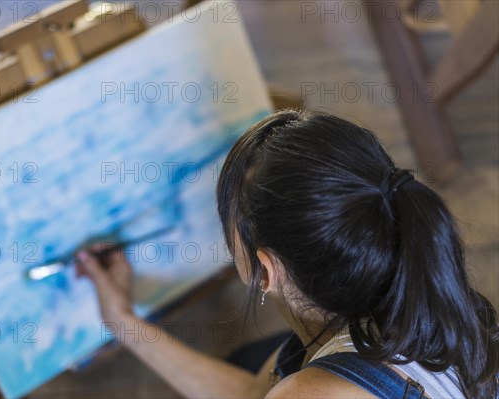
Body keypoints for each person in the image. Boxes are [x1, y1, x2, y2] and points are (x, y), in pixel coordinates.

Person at [75, 110, 499, 398]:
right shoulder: (410, 292)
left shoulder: (308, 391)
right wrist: (123, 322)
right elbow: (248, 393)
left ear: (264, 269)